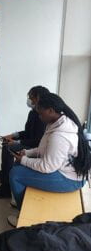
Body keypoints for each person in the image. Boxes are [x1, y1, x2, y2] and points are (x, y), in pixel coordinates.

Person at [8, 93, 91, 226]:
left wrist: (23, 160)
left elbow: (47, 167)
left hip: (69, 179)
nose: (40, 117)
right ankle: (23, 202)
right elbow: (45, 148)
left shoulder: (60, 135)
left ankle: (22, 215)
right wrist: (27, 153)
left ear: (51, 111)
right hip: (64, 170)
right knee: (18, 167)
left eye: (41, 114)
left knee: (16, 174)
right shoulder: (57, 122)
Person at [0, 86, 50, 199]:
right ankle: (5, 171)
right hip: (31, 142)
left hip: (36, 146)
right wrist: (12, 136)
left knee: (8, 148)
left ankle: (6, 187)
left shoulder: (42, 116)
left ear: (38, 98)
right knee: (7, 143)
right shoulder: (33, 113)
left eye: (31, 97)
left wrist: (17, 142)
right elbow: (28, 132)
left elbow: (37, 140)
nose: (29, 100)